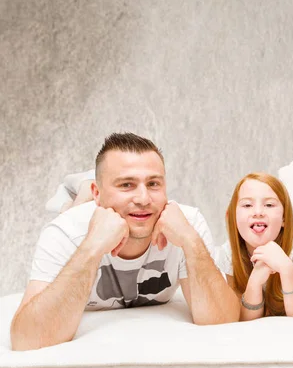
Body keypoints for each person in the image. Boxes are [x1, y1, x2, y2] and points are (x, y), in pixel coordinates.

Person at [10, 133, 239, 351]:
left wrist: (190, 241)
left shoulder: (188, 223)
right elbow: (26, 339)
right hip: (83, 216)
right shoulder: (65, 231)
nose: (143, 199)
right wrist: (92, 246)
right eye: (126, 185)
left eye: (153, 184)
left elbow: (222, 319)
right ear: (97, 193)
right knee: (76, 212)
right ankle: (81, 192)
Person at [216, 170, 293, 320]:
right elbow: (243, 318)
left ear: (285, 217)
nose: (258, 212)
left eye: (269, 204)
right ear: (232, 217)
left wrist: (287, 269)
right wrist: (254, 282)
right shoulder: (228, 253)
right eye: (247, 205)